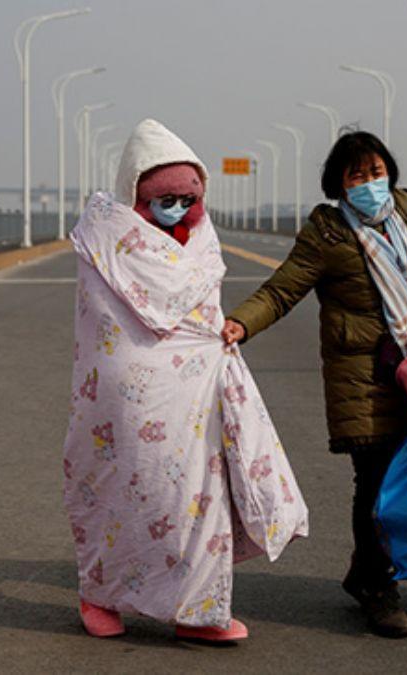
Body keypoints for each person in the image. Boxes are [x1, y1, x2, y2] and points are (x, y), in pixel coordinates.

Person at [63, 119, 309, 643]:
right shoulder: (103, 236)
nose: (175, 207)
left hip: (193, 393)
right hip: (122, 402)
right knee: (119, 491)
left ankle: (197, 611)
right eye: (162, 198)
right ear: (136, 193)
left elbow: (203, 314)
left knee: (197, 498)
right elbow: (103, 321)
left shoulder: (202, 238)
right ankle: (100, 594)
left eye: (185, 197)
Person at [222, 131, 407, 638]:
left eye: (376, 172)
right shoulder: (328, 235)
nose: (371, 184)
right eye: (358, 176)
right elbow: (283, 288)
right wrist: (240, 323)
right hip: (364, 377)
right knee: (375, 482)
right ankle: (377, 588)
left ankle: (366, 571)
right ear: (339, 185)